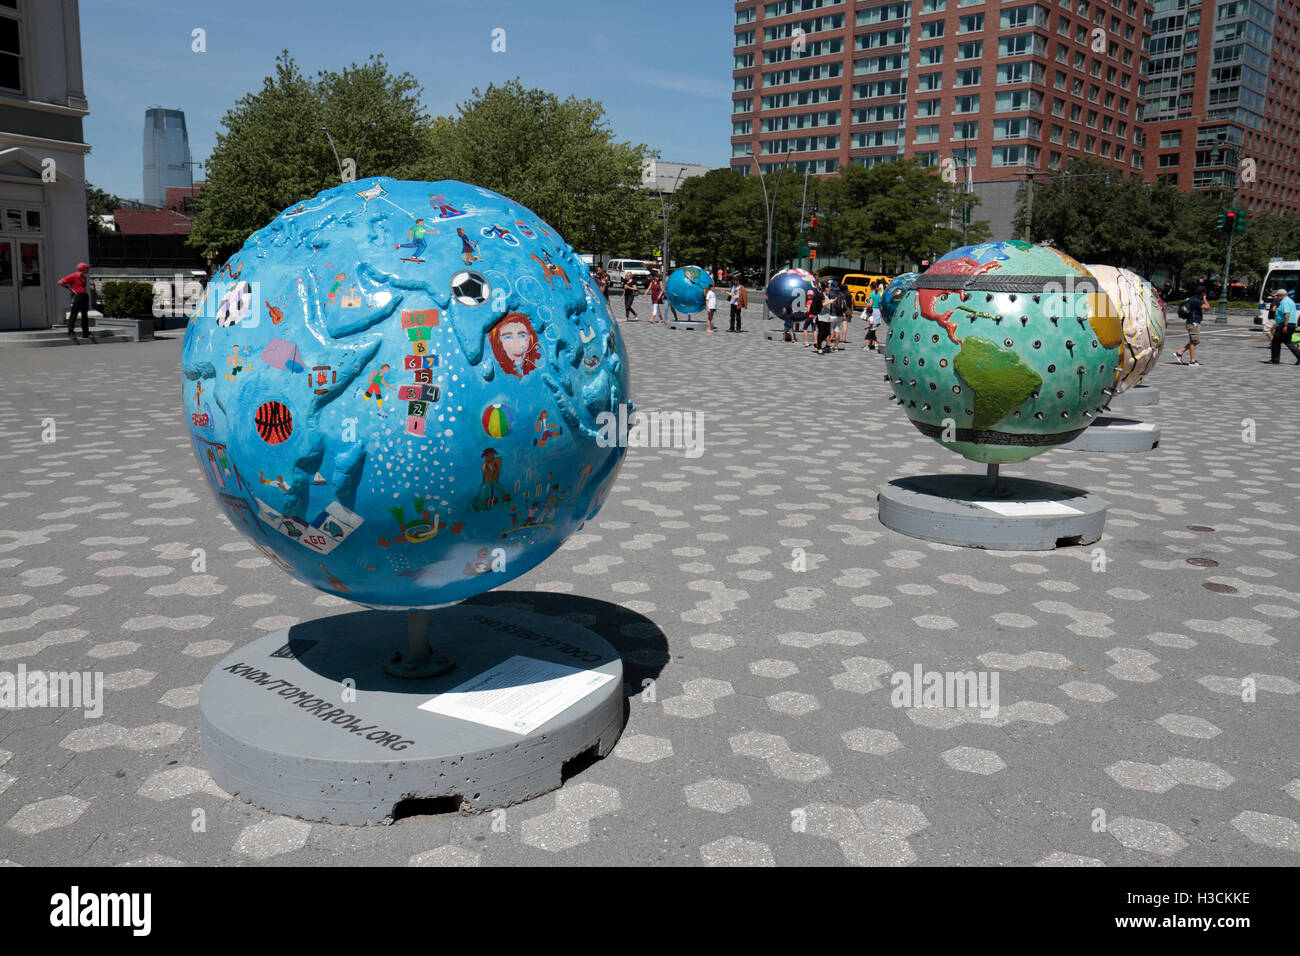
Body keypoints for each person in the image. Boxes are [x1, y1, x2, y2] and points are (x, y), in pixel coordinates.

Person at [1175, 288, 1208, 366]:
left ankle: (1179, 353)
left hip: (1192, 322)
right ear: (1202, 293)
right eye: (1204, 293)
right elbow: (1207, 307)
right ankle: (1192, 361)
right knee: (1194, 342)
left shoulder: (1192, 298)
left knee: (1195, 341)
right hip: (1193, 323)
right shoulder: (1196, 300)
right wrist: (1205, 299)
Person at [58, 262, 91, 339]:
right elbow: (60, 282)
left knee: (85, 315)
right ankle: (71, 332)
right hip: (77, 296)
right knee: (74, 314)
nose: (87, 269)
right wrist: (70, 289)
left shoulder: (84, 277)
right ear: (82, 269)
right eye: (86, 268)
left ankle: (85, 332)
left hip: (84, 295)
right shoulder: (73, 276)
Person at [1268, 287, 1300, 365]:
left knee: (1275, 341)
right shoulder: (1290, 301)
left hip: (1285, 325)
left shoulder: (1284, 302)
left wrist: (1285, 325)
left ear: (1281, 295)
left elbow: (1287, 313)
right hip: (1291, 324)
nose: (1277, 298)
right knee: (1288, 342)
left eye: (1278, 296)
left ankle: (1275, 360)